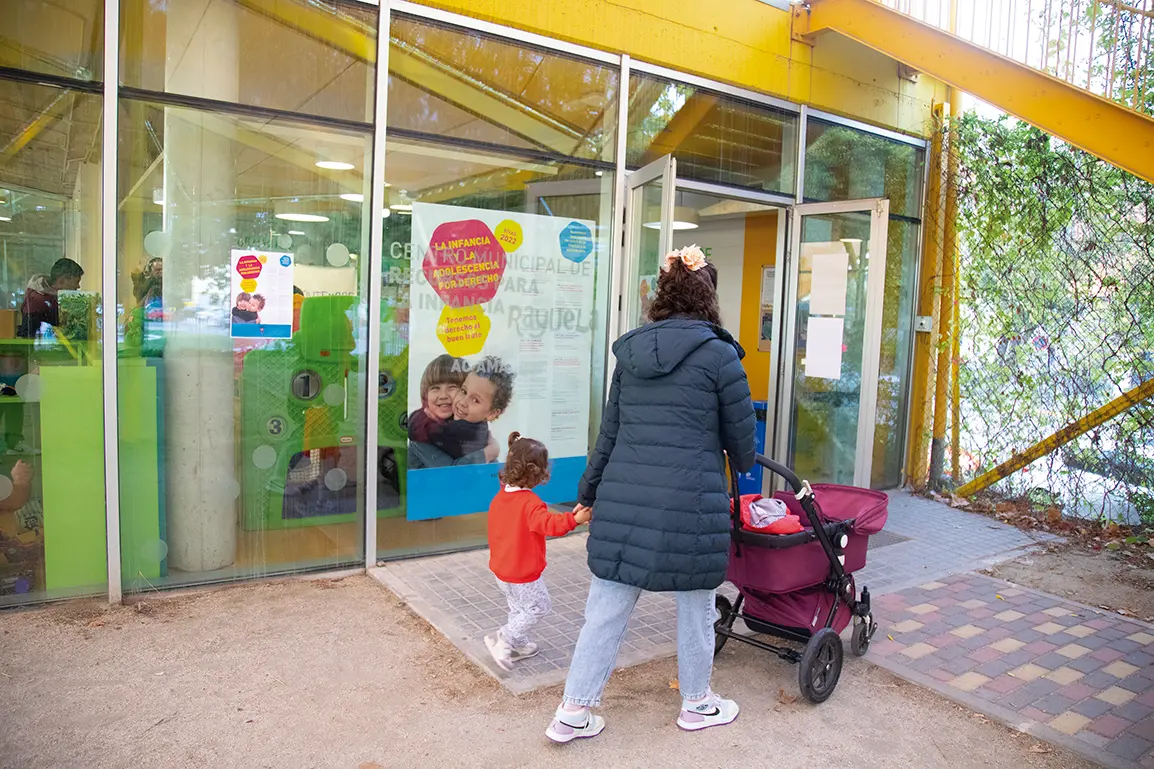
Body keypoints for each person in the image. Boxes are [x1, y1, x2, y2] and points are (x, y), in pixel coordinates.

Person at [545, 244, 756, 743]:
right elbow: (743, 448)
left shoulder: (631, 354)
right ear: (708, 296)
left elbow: (610, 432)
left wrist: (587, 490)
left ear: (662, 294)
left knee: (605, 610)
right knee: (697, 606)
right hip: (690, 503)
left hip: (624, 499)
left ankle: (573, 711)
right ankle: (697, 703)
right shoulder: (720, 355)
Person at [484, 432, 592, 671]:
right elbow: (549, 524)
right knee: (538, 607)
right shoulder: (529, 503)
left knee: (518, 608)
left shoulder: (501, 496)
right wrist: (574, 519)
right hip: (522, 572)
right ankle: (503, 638)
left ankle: (518, 645)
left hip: (502, 570)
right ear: (536, 473)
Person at [408, 355, 512, 469]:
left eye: (452, 387)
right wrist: (489, 453)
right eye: (435, 388)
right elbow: (453, 473)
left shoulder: (472, 428)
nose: (443, 395)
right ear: (425, 394)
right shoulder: (422, 431)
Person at [17, 258, 83, 338]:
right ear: (61, 281)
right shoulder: (36, 303)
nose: (78, 286)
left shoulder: (54, 299)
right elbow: (29, 336)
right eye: (76, 282)